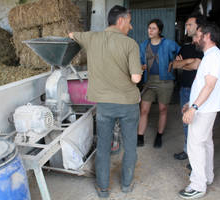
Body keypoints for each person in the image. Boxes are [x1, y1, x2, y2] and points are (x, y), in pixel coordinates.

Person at [68, 5, 142, 198]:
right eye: (129, 21)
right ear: (121, 21)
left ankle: (102, 189)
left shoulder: (91, 38)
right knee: (130, 146)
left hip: (104, 105)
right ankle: (126, 185)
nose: (131, 27)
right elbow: (136, 78)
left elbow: (71, 34)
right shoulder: (130, 44)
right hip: (127, 104)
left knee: (103, 146)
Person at [178, 23, 220, 199]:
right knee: (205, 143)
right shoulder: (210, 56)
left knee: (195, 145)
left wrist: (194, 108)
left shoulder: (213, 57)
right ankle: (207, 177)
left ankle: (198, 185)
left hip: (204, 110)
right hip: (205, 107)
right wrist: (191, 103)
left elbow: (210, 85)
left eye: (198, 35)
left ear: (206, 36)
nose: (195, 39)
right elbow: (202, 86)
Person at [137, 18, 180, 147]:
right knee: (144, 110)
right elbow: (139, 61)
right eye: (149, 28)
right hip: (149, 81)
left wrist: (175, 61)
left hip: (165, 81)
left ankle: (159, 135)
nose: (150, 30)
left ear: (159, 30)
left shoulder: (168, 44)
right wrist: (141, 66)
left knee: (163, 109)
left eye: (153, 28)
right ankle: (140, 136)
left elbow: (180, 52)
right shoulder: (143, 45)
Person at [170, 15, 205, 161]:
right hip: (185, 88)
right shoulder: (185, 47)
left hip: (200, 91)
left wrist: (185, 63)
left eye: (190, 25)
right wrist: (189, 61)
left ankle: (196, 158)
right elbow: (174, 65)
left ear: (199, 27)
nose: (187, 28)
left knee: (199, 126)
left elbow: (198, 65)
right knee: (186, 122)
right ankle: (187, 151)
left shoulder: (203, 46)